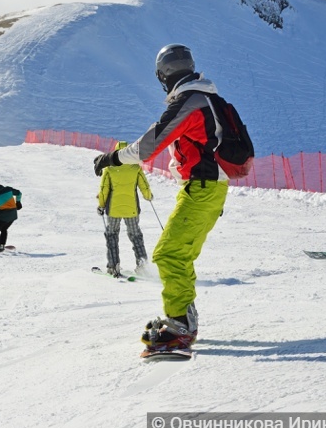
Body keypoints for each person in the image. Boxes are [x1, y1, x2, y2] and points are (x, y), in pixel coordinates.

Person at [92, 43, 230, 354]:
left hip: (203, 187)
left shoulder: (190, 101)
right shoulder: (207, 98)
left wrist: (111, 159)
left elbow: (148, 146)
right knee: (179, 254)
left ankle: (179, 323)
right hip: (208, 187)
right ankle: (185, 317)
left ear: (162, 75)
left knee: (169, 255)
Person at [96, 140, 153, 276]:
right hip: (131, 210)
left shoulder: (109, 169)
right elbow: (144, 185)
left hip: (113, 210)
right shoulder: (135, 168)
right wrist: (148, 196)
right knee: (136, 236)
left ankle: (113, 266)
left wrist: (101, 205)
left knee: (112, 236)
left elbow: (104, 189)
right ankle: (143, 267)